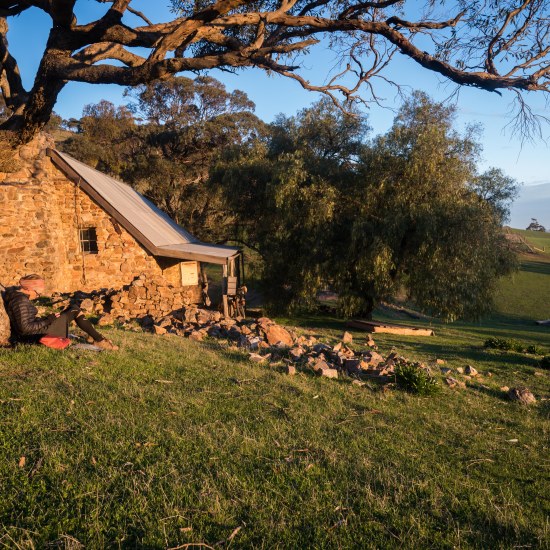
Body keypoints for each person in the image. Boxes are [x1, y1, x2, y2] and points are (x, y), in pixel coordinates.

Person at [3, 274, 118, 350]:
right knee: (74, 310)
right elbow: (25, 328)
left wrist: (47, 319)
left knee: (73, 309)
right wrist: (48, 320)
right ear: (29, 288)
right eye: (37, 293)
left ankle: (96, 338)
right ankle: (99, 340)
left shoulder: (19, 297)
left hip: (37, 329)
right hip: (34, 335)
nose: (38, 296)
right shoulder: (20, 301)